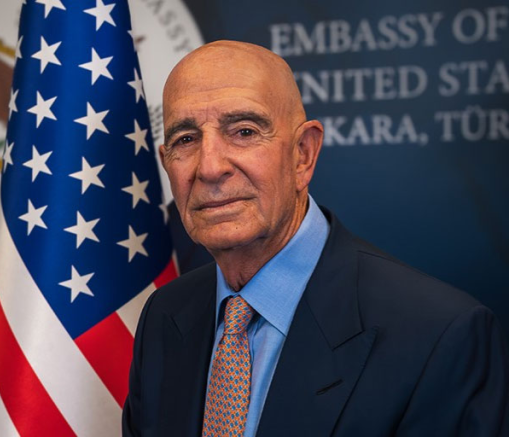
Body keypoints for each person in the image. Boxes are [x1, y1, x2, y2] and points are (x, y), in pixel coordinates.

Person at [122, 40, 509, 437]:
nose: (209, 167)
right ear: (166, 162)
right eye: (186, 139)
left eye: (244, 131)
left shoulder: (440, 335)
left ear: (303, 155)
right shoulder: (164, 315)